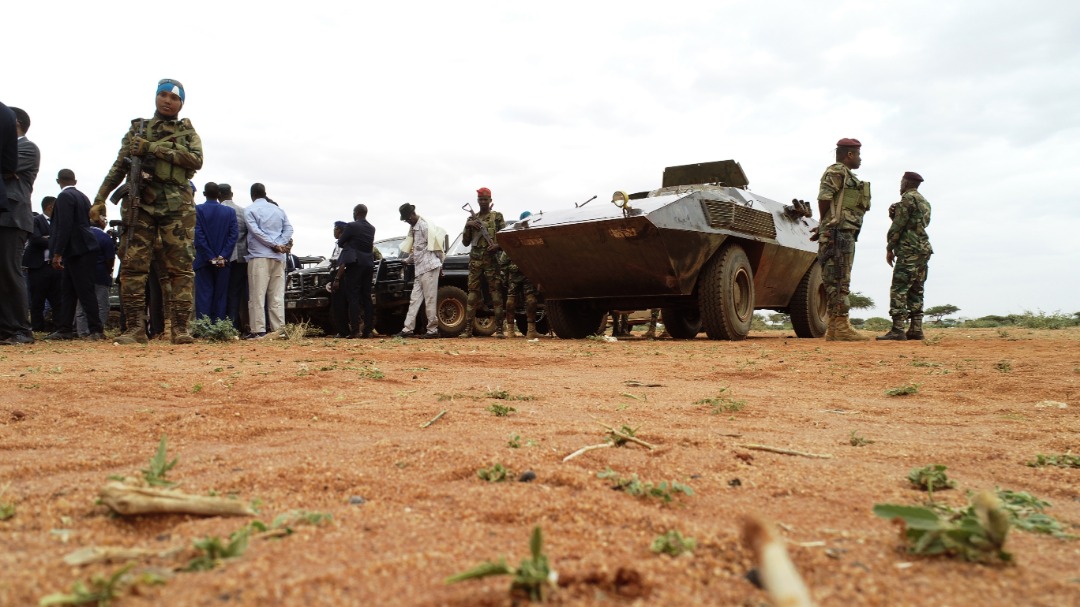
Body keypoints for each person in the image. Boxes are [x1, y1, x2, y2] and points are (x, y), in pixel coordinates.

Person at [93, 78, 202, 345]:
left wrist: (152, 149)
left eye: (174, 98)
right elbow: (119, 166)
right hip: (140, 204)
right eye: (163, 95)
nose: (168, 101)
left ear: (181, 104)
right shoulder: (138, 130)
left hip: (177, 207)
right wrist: (100, 198)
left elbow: (196, 160)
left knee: (181, 268)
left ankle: (180, 329)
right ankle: (135, 329)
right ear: (156, 97)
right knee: (132, 266)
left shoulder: (187, 132)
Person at [815, 137, 871, 342]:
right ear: (849, 154)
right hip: (837, 232)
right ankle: (840, 327)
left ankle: (835, 328)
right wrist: (825, 222)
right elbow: (824, 197)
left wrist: (824, 224)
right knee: (839, 278)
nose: (860, 159)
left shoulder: (846, 174)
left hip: (841, 232)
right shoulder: (837, 171)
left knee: (837, 277)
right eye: (858, 154)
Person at [45, 169, 103, 341]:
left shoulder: (64, 197)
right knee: (68, 290)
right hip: (81, 248)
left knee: (84, 291)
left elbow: (64, 226)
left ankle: (96, 330)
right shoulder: (83, 196)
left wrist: (57, 253)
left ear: (58, 181)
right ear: (75, 181)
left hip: (77, 249)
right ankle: (65, 329)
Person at [878, 172, 933, 341]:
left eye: (902, 181)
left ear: (907, 182)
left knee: (899, 288)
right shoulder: (925, 202)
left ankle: (898, 329)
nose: (900, 185)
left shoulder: (907, 199)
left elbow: (899, 225)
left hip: (908, 249)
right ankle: (916, 329)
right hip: (923, 249)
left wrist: (890, 247)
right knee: (917, 288)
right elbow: (918, 224)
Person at [0, 105, 38, 345]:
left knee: (9, 271)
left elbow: (7, 167)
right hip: (4, 215)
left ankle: (20, 329)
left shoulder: (27, 147)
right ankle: (6, 328)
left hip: (13, 218)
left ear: (14, 123)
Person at [243, 183, 292, 339]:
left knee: (257, 295)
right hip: (278, 257)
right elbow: (289, 229)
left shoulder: (249, 210)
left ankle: (258, 330)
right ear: (265, 193)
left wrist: (273, 245)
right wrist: (280, 244)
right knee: (277, 295)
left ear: (252, 195)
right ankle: (279, 330)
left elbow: (255, 232)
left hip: (259, 257)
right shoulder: (279, 210)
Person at [396, 203, 446, 339]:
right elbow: (417, 250)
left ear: (413, 214)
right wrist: (407, 260)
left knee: (430, 299)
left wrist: (441, 264)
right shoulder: (413, 229)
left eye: (408, 218)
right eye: (406, 220)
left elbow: (436, 247)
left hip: (430, 267)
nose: (408, 221)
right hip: (420, 269)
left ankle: (432, 330)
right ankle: (408, 329)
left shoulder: (424, 226)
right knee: (414, 299)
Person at [462, 187, 505, 338]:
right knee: (472, 294)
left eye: (486, 199)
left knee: (496, 293)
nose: (483, 202)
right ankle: (468, 329)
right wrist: (468, 226)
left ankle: (499, 330)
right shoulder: (471, 219)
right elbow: (465, 242)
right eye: (481, 199)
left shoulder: (497, 217)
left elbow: (505, 237)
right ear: (477, 201)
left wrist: (497, 246)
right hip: (475, 260)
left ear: (490, 200)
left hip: (491, 260)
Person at [193, 182, 238, 322]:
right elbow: (233, 236)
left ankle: (204, 327)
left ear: (204, 194)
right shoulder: (230, 212)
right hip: (223, 262)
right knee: (220, 296)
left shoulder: (197, 210)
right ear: (219, 195)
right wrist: (222, 256)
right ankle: (219, 327)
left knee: (204, 296)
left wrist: (210, 257)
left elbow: (198, 236)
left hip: (203, 261)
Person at [335, 204, 376, 338]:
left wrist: (349, 243)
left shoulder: (351, 226)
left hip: (355, 264)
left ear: (356, 212)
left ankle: (355, 330)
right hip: (368, 264)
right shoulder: (372, 228)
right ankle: (368, 330)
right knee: (367, 297)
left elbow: (340, 242)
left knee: (353, 297)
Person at [75, 215, 116, 337]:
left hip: (81, 274)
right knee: (102, 305)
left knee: (82, 305)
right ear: (101, 223)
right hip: (100, 274)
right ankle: (98, 330)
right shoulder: (104, 237)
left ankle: (82, 331)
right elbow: (110, 259)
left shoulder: (78, 235)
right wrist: (108, 271)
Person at [502, 211, 540, 339]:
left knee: (530, 301)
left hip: (527, 275)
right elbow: (504, 261)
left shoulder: (530, 238)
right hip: (517, 275)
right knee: (511, 301)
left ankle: (530, 330)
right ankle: (512, 330)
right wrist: (508, 273)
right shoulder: (514, 239)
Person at [25, 196, 61, 332]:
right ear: (50, 207)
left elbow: (63, 240)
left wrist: (47, 238)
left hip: (55, 266)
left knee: (57, 299)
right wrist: (55, 240)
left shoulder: (59, 223)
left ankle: (58, 327)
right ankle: (37, 328)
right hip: (38, 267)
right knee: (37, 299)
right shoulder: (36, 220)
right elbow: (35, 240)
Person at [219, 183, 249, 332]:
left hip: (222, 257)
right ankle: (235, 325)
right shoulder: (243, 211)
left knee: (221, 291)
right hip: (241, 257)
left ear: (218, 196)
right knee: (236, 293)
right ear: (232, 194)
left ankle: (222, 325)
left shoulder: (219, 211)